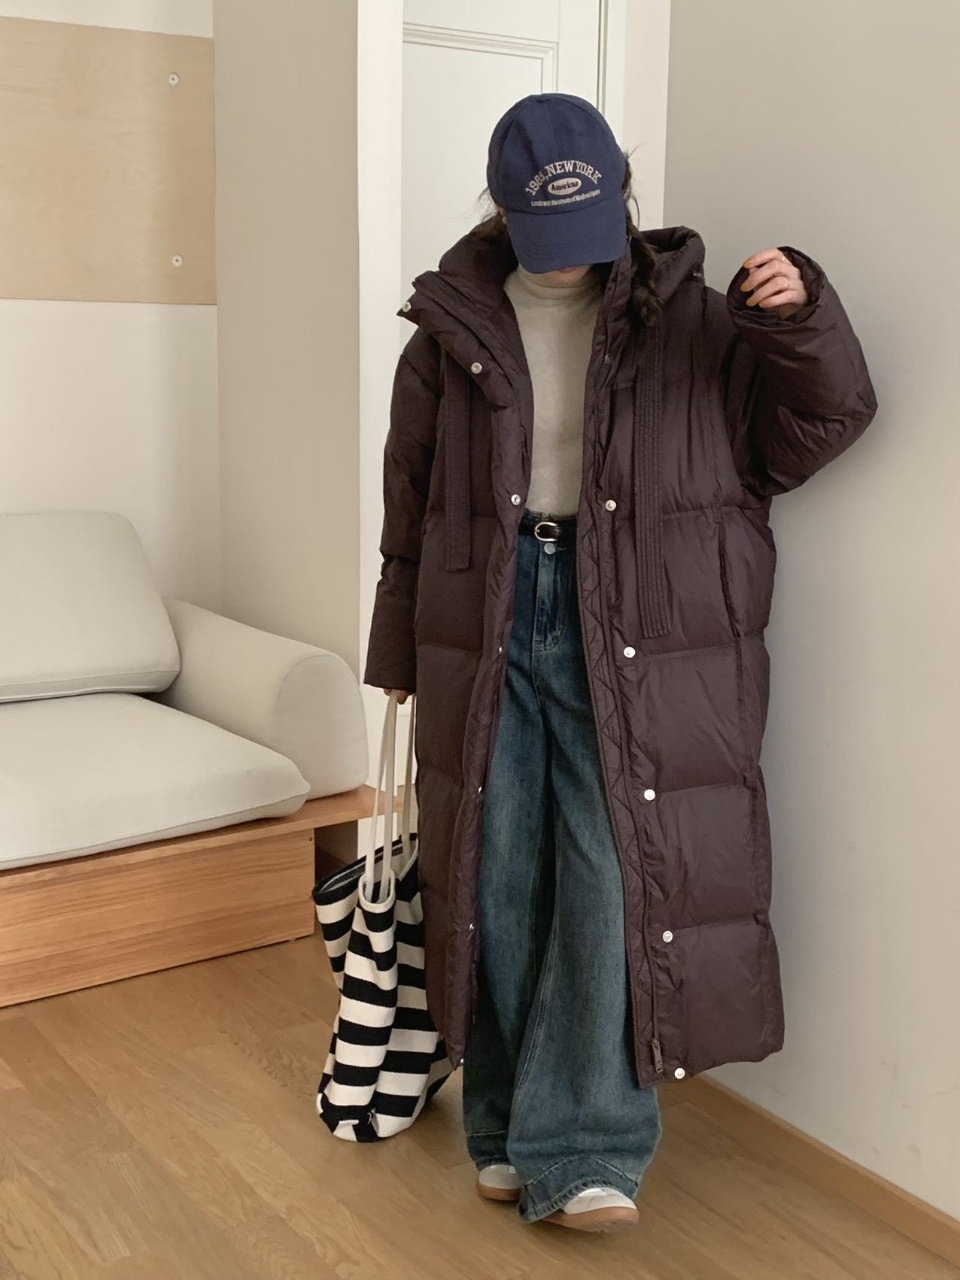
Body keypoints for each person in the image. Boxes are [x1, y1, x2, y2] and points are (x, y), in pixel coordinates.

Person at [364, 93, 876, 1233]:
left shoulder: (692, 323)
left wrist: (800, 316)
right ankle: (505, 1124)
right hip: (488, 614)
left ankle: (587, 1144)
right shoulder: (446, 333)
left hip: (637, 619)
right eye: (546, 231)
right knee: (495, 870)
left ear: (623, 200)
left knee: (609, 873)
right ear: (503, 210)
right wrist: (396, 646)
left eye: (589, 228)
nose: (570, 259)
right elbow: (410, 505)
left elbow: (820, 426)